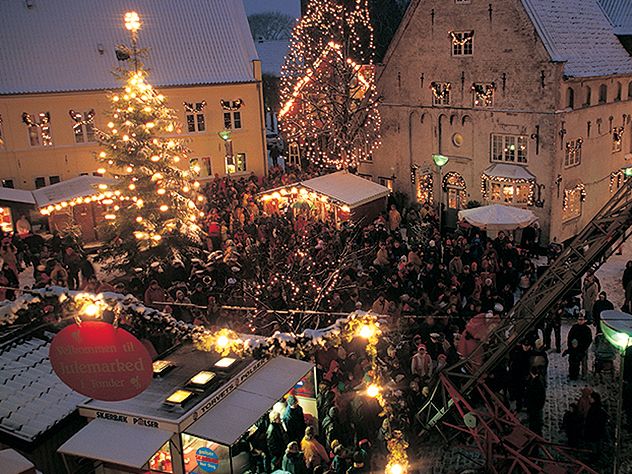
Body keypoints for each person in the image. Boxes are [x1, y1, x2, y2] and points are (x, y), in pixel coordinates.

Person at [567, 312, 593, 378]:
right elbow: (570, 337)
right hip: (573, 348)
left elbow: (588, 340)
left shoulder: (587, 329)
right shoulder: (574, 327)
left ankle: (583, 374)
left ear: (585, 321)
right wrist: (571, 346)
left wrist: (583, 347)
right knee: (572, 361)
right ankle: (572, 374)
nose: (580, 321)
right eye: (579, 319)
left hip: (582, 349)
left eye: (581, 320)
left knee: (583, 361)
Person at [585, 391, 608, 463]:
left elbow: (591, 421)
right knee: (597, 444)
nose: (589, 399)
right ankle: (597, 456)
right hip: (598, 431)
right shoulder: (599, 408)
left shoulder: (594, 409)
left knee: (594, 445)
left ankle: (594, 458)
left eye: (590, 398)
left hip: (594, 431)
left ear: (594, 399)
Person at [524, 367, 546, 435]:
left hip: (534, 405)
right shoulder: (538, 379)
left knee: (535, 421)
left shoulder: (537, 382)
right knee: (534, 420)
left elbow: (538, 395)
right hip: (535, 405)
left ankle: (535, 433)